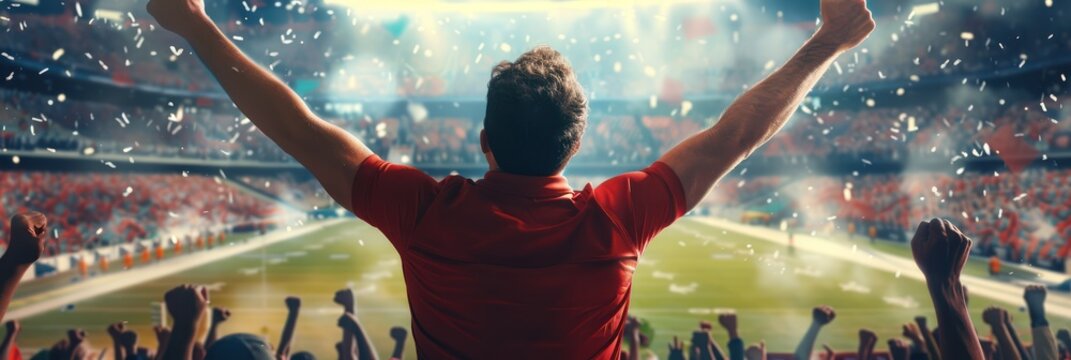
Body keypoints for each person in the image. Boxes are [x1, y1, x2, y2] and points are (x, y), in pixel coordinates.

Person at [143, 0, 874, 356]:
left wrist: (196, 25)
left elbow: (298, 130)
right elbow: (735, 136)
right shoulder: (615, 217)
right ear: (576, 143)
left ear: (482, 141)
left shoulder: (427, 212)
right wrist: (827, 43)